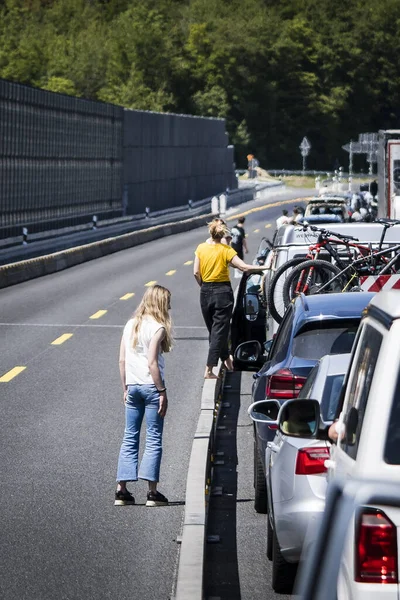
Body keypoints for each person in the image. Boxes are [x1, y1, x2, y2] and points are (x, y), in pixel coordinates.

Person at [115, 285, 173, 507]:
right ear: (160, 303)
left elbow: (122, 361)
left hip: (132, 386)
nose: (169, 306)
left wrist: (125, 388)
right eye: (167, 302)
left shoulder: (130, 325)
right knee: (153, 437)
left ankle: (122, 490)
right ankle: (152, 493)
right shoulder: (158, 327)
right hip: (151, 387)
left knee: (130, 436)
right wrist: (162, 391)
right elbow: (152, 362)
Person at [194, 218, 266, 379]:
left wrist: (204, 287)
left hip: (205, 291)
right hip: (222, 292)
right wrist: (266, 267)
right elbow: (244, 267)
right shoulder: (226, 250)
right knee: (218, 332)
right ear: (223, 234)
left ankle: (227, 360)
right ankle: (209, 369)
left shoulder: (201, 248)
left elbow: (196, 272)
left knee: (214, 330)